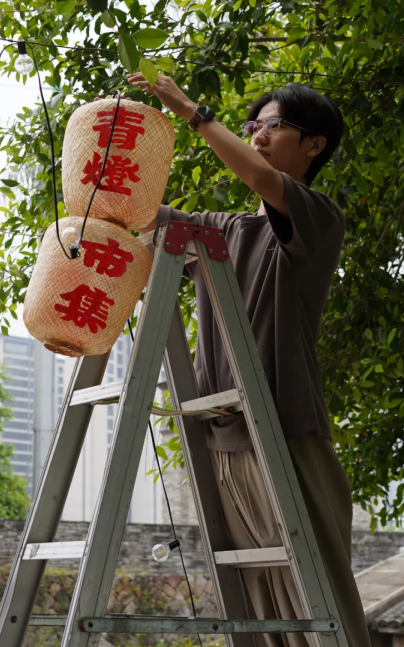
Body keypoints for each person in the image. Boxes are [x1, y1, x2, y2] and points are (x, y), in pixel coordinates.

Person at [127, 71, 370, 647]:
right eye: (251, 126)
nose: (258, 135)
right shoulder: (227, 231)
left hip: (286, 432)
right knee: (261, 605)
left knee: (324, 602)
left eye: (273, 125)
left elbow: (262, 179)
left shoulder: (316, 216)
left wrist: (192, 112)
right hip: (222, 438)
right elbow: (146, 218)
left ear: (314, 145)